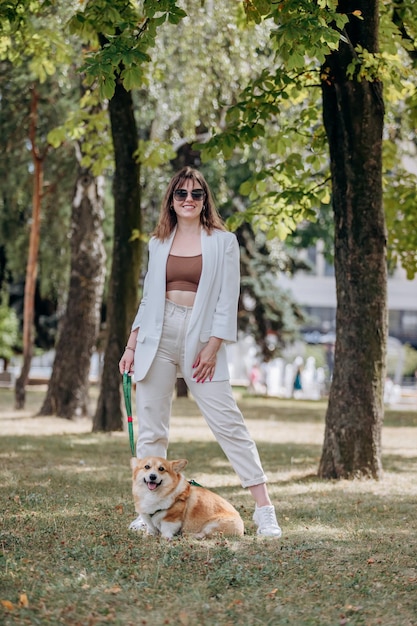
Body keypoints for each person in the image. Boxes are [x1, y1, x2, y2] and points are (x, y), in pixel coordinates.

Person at [119, 166, 282, 538]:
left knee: (228, 422)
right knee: (151, 429)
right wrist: (131, 345)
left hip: (201, 336)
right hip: (156, 338)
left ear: (205, 200)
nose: (189, 200)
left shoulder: (222, 242)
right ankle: (149, 515)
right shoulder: (158, 242)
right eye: (182, 194)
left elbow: (228, 297)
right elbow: (148, 299)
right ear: (171, 200)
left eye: (196, 194)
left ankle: (264, 510)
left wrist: (213, 346)